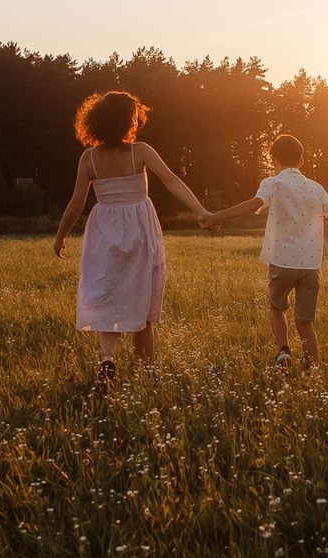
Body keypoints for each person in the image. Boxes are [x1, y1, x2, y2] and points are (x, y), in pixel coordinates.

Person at [53, 89, 211, 382]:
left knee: (107, 293)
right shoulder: (141, 151)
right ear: (129, 122)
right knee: (141, 300)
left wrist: (60, 236)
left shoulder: (89, 158)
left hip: (104, 231)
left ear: (97, 121)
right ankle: (145, 374)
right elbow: (171, 180)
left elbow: (76, 203)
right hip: (140, 229)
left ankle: (108, 358)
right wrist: (201, 210)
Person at [198, 133, 328, 369]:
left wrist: (216, 217)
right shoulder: (316, 188)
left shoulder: (271, 183)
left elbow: (254, 204)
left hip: (281, 261)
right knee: (304, 322)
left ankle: (284, 350)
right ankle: (313, 372)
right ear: (301, 161)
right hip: (310, 266)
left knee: (277, 308)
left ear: (273, 159)